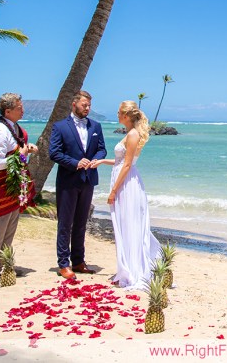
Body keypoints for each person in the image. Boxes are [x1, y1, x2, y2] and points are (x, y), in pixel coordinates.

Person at [90, 100, 161, 289]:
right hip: (125, 180)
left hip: (127, 184)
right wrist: (103, 161)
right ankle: (127, 267)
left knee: (129, 224)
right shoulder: (131, 134)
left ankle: (133, 269)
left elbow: (128, 165)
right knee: (125, 224)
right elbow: (122, 161)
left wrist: (113, 191)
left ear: (127, 116)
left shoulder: (132, 135)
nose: (117, 115)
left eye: (120, 113)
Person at [0, 93, 38, 280]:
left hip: (12, 187)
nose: (23, 110)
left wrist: (26, 151)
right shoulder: (0, 132)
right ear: (8, 111)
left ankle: (3, 265)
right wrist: (21, 155)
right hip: (0, 187)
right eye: (20, 107)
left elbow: (17, 156)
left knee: (8, 229)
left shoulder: (14, 129)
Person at [49, 90, 107, 279]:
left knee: (82, 222)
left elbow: (102, 149)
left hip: (88, 180)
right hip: (68, 180)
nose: (87, 108)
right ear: (74, 104)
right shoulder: (60, 127)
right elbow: (54, 153)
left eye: (89, 105)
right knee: (65, 223)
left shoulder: (96, 126)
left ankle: (79, 261)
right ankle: (63, 263)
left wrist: (95, 160)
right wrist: (75, 163)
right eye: (84, 105)